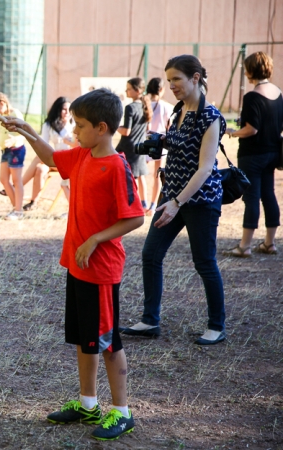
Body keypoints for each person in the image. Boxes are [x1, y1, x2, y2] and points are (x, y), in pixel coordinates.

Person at [4, 89, 145, 441]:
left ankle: (122, 412)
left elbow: (135, 218)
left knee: (108, 343)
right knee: (86, 340)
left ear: (101, 128)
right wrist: (26, 132)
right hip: (79, 266)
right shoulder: (83, 154)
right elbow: (52, 157)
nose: (73, 130)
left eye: (79, 126)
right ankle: (87, 404)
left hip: (101, 271)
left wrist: (96, 238)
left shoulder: (116, 166)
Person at [121, 55, 228, 345]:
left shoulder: (211, 116)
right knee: (151, 254)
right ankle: (149, 320)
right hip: (172, 196)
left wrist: (177, 201)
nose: (171, 86)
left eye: (177, 79)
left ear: (195, 78)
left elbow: (205, 168)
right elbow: (180, 148)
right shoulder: (178, 111)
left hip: (200, 199)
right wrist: (162, 143)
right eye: (168, 80)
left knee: (204, 262)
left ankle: (216, 326)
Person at [222, 51, 281, 257]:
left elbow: (252, 129)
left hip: (252, 154)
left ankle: (244, 246)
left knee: (251, 198)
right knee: (269, 195)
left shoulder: (252, 96)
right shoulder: (278, 93)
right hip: (273, 152)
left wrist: (233, 132)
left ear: (249, 71)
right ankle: (269, 243)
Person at [20, 97, 77, 211]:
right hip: (54, 158)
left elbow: (78, 145)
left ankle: (18, 185)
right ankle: (33, 201)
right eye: (64, 109)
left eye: (68, 109)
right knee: (40, 168)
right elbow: (44, 144)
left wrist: (69, 142)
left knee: (39, 160)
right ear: (58, 110)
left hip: (69, 159)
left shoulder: (74, 124)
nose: (67, 113)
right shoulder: (49, 125)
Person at [116, 77, 152, 210]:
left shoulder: (130, 107)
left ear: (137, 91)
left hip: (128, 148)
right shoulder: (145, 105)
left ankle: (130, 204)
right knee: (141, 176)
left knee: (128, 179)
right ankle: (144, 204)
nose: (126, 91)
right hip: (140, 147)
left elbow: (126, 131)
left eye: (129, 89)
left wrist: (114, 127)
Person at [145, 78, 175, 215]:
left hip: (146, 141)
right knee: (157, 175)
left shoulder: (144, 104)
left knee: (141, 176)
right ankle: (152, 205)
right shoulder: (167, 106)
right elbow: (169, 127)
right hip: (160, 144)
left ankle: (142, 202)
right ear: (162, 90)